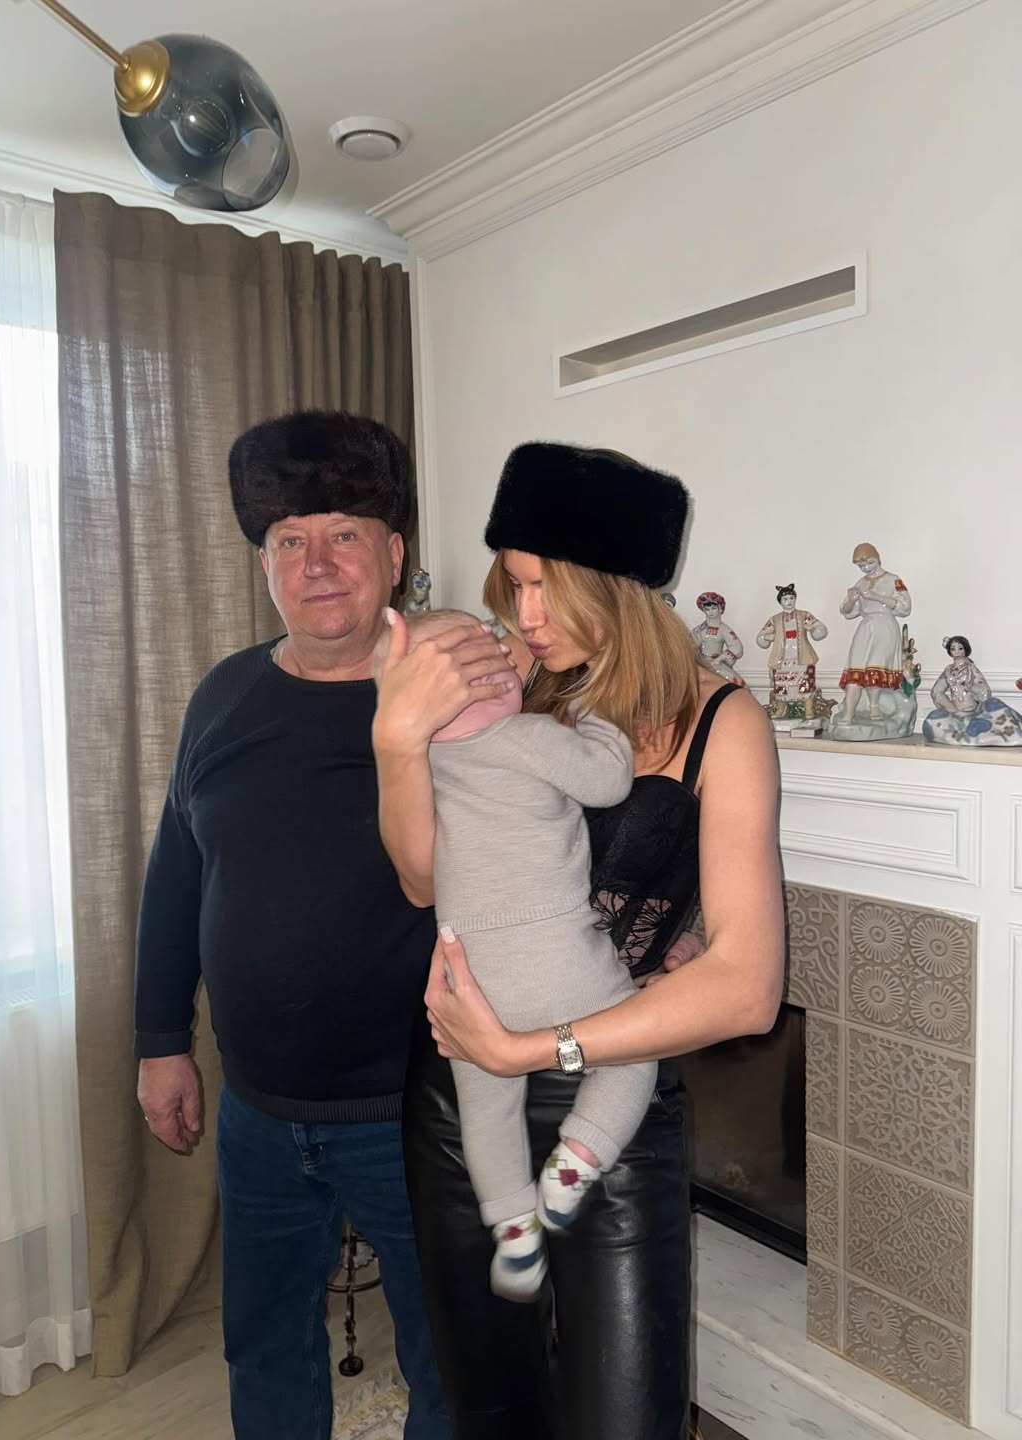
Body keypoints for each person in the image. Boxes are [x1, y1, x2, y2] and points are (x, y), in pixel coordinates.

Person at [373, 441, 784, 1440]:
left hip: (611, 1096)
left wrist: (534, 1049)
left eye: (545, 588)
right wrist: (396, 740)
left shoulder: (723, 723)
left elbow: (749, 988)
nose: (523, 617)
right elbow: (422, 878)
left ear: (622, 589)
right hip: (462, 1093)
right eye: (513, 585)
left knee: (623, 1417)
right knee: (495, 1411)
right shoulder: (518, 689)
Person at [133, 410, 518, 1440]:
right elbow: (176, 875)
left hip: (418, 1110)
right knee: (262, 1349)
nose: (317, 564)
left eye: (344, 533)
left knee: (451, 1361)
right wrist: (161, 1042)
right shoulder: (224, 695)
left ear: (394, 553)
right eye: (289, 540)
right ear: (263, 563)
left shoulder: (463, 696)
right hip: (258, 1113)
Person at [374, 608, 656, 1303]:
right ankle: (577, 1160)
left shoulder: (427, 764)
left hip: (468, 980)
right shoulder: (529, 737)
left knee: (486, 1104)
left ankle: (513, 1228)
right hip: (559, 961)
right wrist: (594, 717)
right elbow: (608, 781)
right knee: (634, 1048)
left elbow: (416, 872)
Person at [835, 541, 912, 724]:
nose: (866, 568)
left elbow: (905, 607)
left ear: (877, 558)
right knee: (856, 667)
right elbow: (848, 612)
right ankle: (848, 713)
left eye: (870, 563)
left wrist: (876, 597)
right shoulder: (861, 583)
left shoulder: (894, 580)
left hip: (884, 625)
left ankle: (874, 706)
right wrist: (851, 600)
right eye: (862, 566)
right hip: (866, 625)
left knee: (874, 665)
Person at [755, 583, 828, 720]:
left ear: (795, 599)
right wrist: (766, 637)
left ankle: (808, 709)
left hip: (802, 655)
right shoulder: (775, 619)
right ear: (780, 602)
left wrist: (812, 629)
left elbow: (821, 629)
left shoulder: (804, 615)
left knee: (805, 682)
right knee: (782, 683)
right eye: (785, 599)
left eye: (791, 598)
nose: (788, 601)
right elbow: (760, 637)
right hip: (782, 656)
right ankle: (780, 708)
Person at [691, 591, 745, 686]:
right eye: (707, 609)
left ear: (720, 609)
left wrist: (720, 659)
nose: (710, 612)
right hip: (700, 663)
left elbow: (737, 647)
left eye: (713, 608)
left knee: (736, 683)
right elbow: (690, 645)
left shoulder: (724, 629)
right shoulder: (698, 629)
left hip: (716, 663)